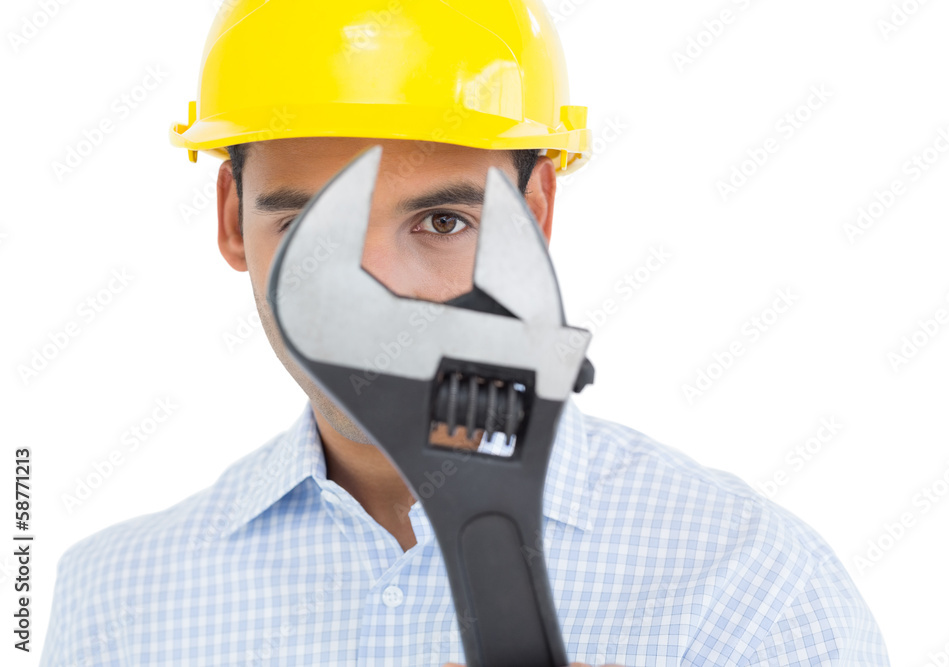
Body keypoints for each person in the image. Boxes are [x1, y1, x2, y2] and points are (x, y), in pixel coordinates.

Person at [41, 1, 891, 665]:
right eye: (307, 223)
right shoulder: (116, 603)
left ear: (539, 211)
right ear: (232, 221)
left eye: (443, 221)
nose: (380, 284)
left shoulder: (755, 588)